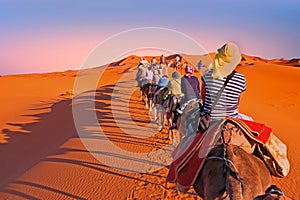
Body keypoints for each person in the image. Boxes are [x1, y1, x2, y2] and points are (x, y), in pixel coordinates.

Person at [201, 42, 252, 120]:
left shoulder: (207, 75)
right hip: (231, 118)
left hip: (207, 117)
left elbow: (203, 96)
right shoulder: (241, 79)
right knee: (250, 119)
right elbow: (237, 103)